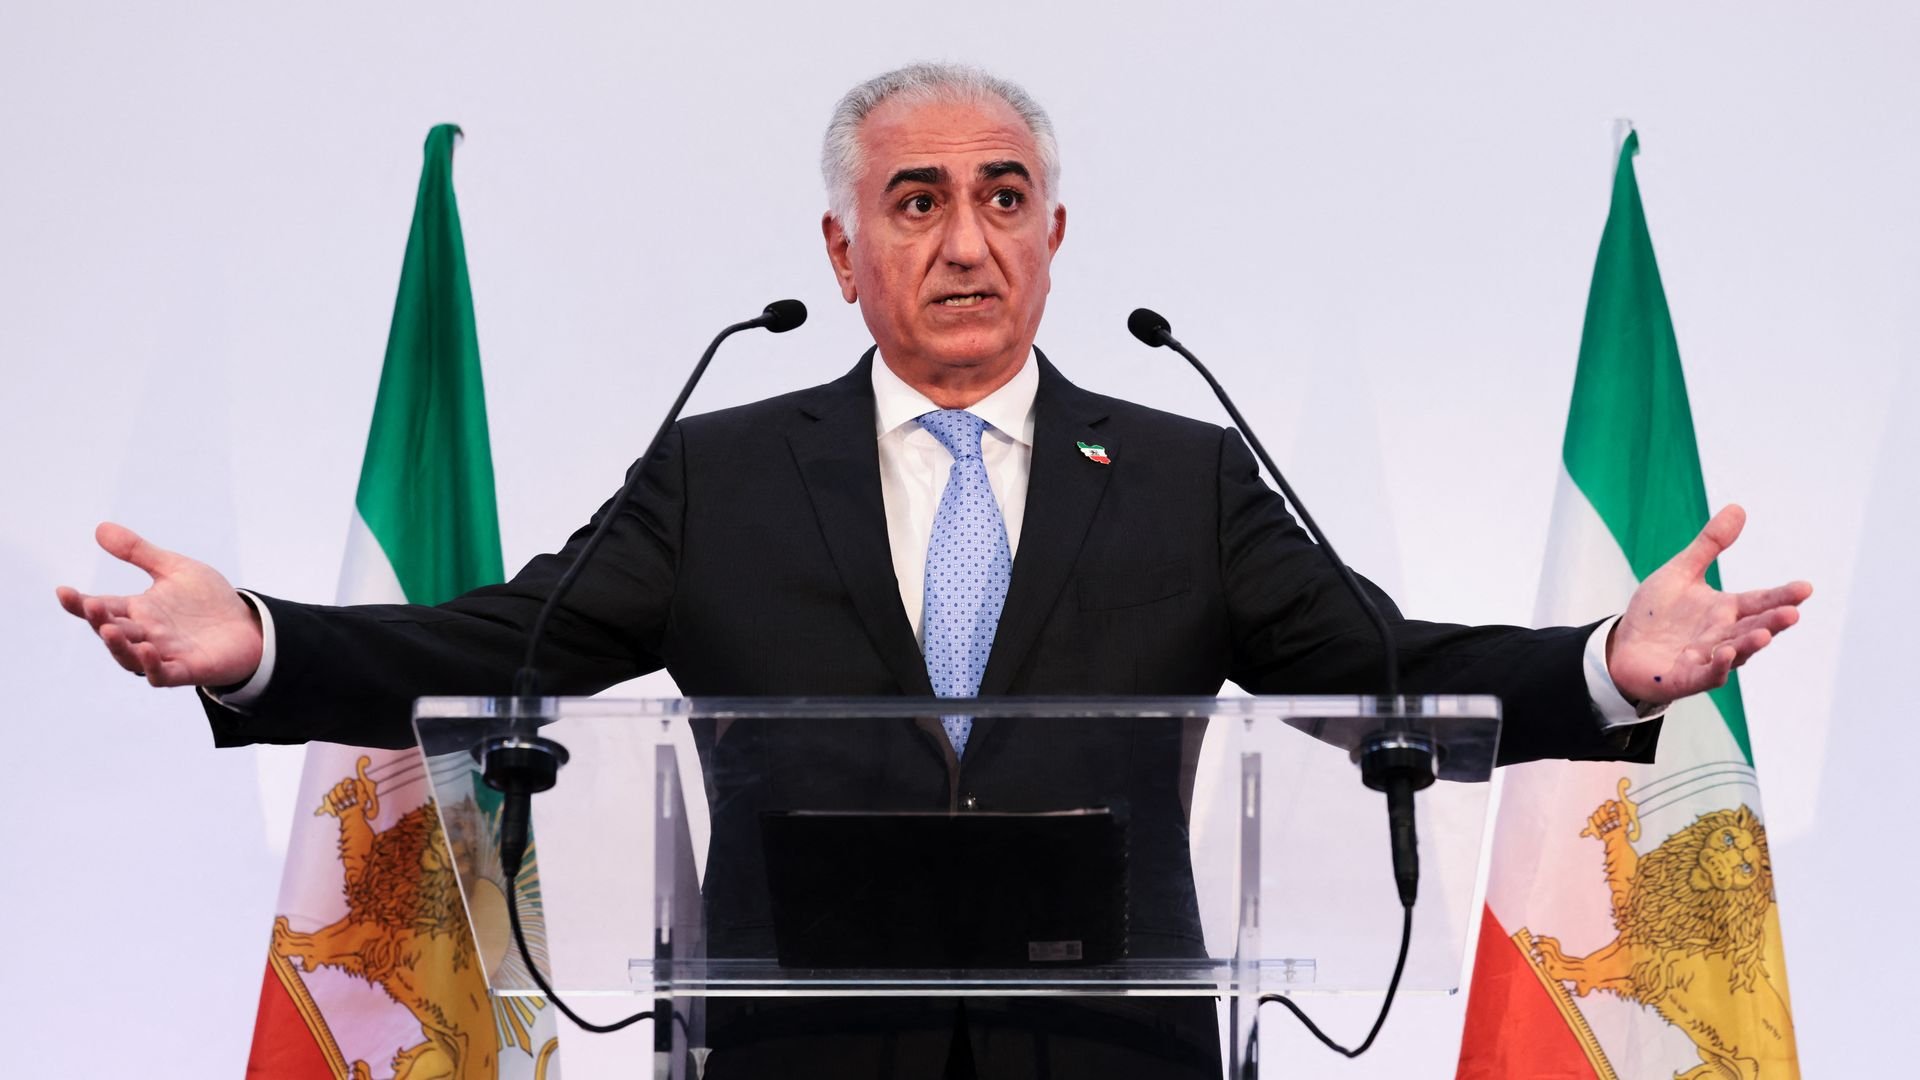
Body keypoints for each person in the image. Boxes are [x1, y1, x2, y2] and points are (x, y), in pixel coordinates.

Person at [57, 63, 1809, 1080]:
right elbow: (511, 650)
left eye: (1002, 194)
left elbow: (1378, 665)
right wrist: (259, 644)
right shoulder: (727, 466)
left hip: (1110, 1063)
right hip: (798, 1060)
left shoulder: (1185, 469)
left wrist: (1602, 666)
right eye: (915, 201)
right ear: (842, 247)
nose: (962, 237)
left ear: (1055, 233)